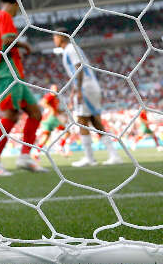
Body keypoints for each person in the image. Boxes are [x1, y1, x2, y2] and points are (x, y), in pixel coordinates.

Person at [0, 0, 45, 175]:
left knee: (35, 113)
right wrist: (24, 46)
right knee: (11, 115)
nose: (18, 11)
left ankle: (24, 158)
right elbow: (8, 41)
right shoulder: (5, 16)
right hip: (8, 72)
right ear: (15, 4)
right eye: (19, 7)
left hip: (12, 72)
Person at [52, 30, 122, 166]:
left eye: (54, 36)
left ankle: (90, 158)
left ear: (61, 37)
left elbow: (79, 68)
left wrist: (78, 89)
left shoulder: (70, 49)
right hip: (88, 86)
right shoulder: (72, 49)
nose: (54, 39)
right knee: (94, 121)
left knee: (82, 120)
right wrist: (74, 90)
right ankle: (113, 155)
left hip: (86, 87)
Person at [36, 86, 69, 153]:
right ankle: (60, 148)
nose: (56, 90)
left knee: (46, 136)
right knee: (67, 132)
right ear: (51, 89)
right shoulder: (50, 96)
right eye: (54, 89)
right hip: (51, 118)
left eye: (57, 89)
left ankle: (36, 154)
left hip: (46, 119)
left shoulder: (55, 99)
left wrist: (65, 110)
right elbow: (42, 102)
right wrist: (51, 109)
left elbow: (56, 110)